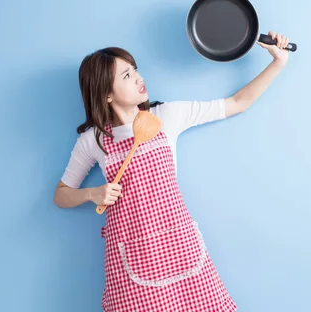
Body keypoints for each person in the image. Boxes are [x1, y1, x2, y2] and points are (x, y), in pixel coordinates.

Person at [53, 31, 292, 311]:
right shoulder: (94, 140)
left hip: (178, 245)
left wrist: (279, 62)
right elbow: (61, 195)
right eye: (127, 76)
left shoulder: (166, 116)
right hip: (133, 253)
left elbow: (238, 103)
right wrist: (92, 193)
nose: (139, 78)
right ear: (106, 94)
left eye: (135, 70)